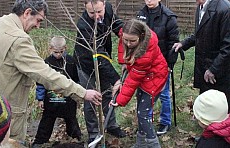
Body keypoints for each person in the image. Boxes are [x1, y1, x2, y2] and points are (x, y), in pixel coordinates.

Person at [0, 0, 102, 142]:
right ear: (27, 13)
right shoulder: (19, 40)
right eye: (38, 20)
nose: (39, 26)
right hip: (4, 116)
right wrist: (82, 92)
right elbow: (45, 74)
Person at [73, 0, 126, 143]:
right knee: (90, 98)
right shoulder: (84, 25)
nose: (96, 16)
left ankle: (111, 125)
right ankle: (93, 132)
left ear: (104, 4)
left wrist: (126, 34)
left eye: (99, 11)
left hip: (102, 60)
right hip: (85, 64)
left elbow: (116, 25)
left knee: (107, 93)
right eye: (92, 12)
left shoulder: (108, 8)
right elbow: (99, 54)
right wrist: (116, 79)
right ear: (85, 8)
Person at [111, 19, 168, 148]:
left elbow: (133, 80)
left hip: (154, 79)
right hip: (144, 78)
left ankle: (153, 144)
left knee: (143, 114)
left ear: (141, 37)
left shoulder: (146, 52)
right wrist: (126, 62)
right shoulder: (124, 35)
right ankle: (141, 143)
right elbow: (122, 47)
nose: (128, 44)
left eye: (132, 41)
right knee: (140, 111)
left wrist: (120, 100)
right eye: (126, 40)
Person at [173, 0, 230, 112]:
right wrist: (183, 43)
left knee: (221, 103)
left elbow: (228, 45)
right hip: (204, 64)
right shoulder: (201, 7)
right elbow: (200, 33)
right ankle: (207, 120)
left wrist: (214, 68)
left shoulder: (225, 9)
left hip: (220, 67)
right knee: (208, 99)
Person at [137, 0, 179, 135]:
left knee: (164, 94)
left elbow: (173, 43)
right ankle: (145, 120)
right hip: (144, 62)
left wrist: (169, 64)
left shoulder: (168, 17)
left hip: (161, 63)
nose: (149, 0)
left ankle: (165, 121)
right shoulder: (140, 15)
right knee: (145, 93)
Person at [32, 37, 82, 147]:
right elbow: (41, 82)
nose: (58, 54)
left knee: (71, 120)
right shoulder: (46, 63)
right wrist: (40, 99)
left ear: (65, 48)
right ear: (50, 49)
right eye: (55, 52)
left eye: (61, 52)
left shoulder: (70, 61)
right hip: (51, 100)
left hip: (68, 99)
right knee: (47, 121)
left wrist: (77, 95)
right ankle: (39, 141)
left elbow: (76, 80)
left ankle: (77, 138)